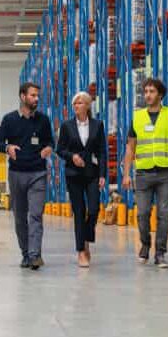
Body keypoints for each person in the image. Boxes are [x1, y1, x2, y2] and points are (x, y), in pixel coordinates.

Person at [121, 78, 168, 268]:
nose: (147, 95)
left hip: (165, 172)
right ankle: (145, 245)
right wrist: (126, 174)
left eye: (152, 91)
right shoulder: (138, 117)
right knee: (142, 213)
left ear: (160, 94)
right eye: (146, 91)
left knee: (164, 214)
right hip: (143, 173)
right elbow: (130, 148)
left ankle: (160, 253)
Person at [0, 82, 54, 270]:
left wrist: (48, 148)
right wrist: (7, 147)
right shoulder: (9, 119)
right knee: (20, 217)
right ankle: (26, 254)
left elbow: (50, 141)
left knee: (35, 215)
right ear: (22, 96)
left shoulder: (43, 120)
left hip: (38, 173)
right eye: (33, 95)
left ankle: (35, 255)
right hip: (16, 174)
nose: (36, 99)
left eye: (37, 96)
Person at [56, 91, 107, 268]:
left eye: (80, 103)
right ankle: (81, 251)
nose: (76, 106)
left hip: (92, 173)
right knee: (79, 211)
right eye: (74, 104)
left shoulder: (97, 125)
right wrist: (72, 157)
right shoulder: (67, 126)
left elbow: (102, 151)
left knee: (93, 209)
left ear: (88, 105)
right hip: (74, 174)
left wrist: (102, 174)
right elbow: (60, 149)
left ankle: (86, 238)